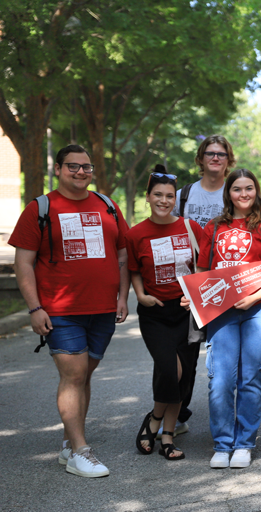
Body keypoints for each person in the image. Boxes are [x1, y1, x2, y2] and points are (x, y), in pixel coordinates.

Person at [10, 144, 129, 477]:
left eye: (87, 167)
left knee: (84, 375)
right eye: (73, 166)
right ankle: (80, 450)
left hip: (102, 308)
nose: (81, 172)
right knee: (73, 375)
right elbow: (24, 262)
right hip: (61, 309)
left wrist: (123, 295)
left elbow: (122, 253)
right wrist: (35, 308)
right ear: (59, 169)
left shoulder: (107, 205)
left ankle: (68, 442)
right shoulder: (40, 208)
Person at [186, 169, 261, 469]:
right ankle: (222, 443)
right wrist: (193, 295)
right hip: (221, 311)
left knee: (250, 377)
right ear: (228, 193)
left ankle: (244, 443)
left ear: (256, 191)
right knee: (220, 379)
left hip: (259, 308)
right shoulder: (214, 228)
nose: (243, 194)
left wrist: (255, 297)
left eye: (249, 188)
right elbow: (203, 271)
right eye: (237, 189)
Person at [126, 167, 204, 461]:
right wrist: (141, 295)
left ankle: (167, 435)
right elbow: (133, 269)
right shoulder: (136, 234)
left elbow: (201, 267)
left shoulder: (189, 227)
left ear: (175, 199)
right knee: (171, 369)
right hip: (155, 312)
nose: (163, 200)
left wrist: (194, 294)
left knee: (184, 377)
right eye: (157, 195)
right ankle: (155, 419)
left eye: (169, 196)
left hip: (186, 311)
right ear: (148, 198)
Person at [171, 134, 235, 435]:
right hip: (190, 283)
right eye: (209, 153)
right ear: (200, 159)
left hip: (226, 284)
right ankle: (178, 414)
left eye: (221, 154)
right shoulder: (184, 195)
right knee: (186, 353)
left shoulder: (235, 193)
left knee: (226, 354)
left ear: (228, 160)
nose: (215, 158)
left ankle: (230, 418)